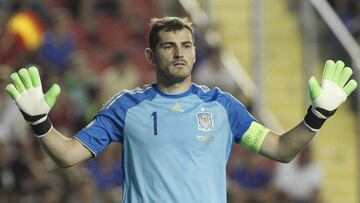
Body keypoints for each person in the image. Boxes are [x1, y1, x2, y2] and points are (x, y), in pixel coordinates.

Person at [4, 16, 358, 203]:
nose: (179, 53)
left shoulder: (222, 106)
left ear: (194, 52)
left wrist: (318, 115)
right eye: (169, 46)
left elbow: (281, 149)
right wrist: (39, 122)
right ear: (150, 56)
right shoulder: (126, 107)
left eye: (186, 45)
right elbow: (67, 155)